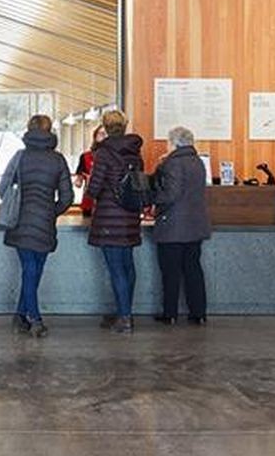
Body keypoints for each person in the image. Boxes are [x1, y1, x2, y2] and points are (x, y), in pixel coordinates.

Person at [0, 114, 73, 338]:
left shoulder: (20, 157)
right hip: (45, 224)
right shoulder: (58, 160)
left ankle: (22, 315)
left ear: (29, 130)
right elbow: (67, 197)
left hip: (21, 222)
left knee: (29, 269)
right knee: (34, 270)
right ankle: (34, 318)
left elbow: (3, 189)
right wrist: (51, 211)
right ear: (50, 131)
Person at [85, 109, 144, 333]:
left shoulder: (104, 153)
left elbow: (94, 188)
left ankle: (125, 317)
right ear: (124, 126)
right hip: (130, 216)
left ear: (106, 127)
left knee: (116, 269)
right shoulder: (135, 153)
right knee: (128, 266)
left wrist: (93, 187)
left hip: (110, 219)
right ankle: (124, 311)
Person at [151, 125, 211, 325]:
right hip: (195, 225)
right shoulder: (198, 162)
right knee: (193, 270)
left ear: (174, 144)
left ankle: (170, 313)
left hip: (173, 226)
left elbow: (170, 194)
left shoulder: (173, 163)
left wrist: (153, 199)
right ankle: (198, 313)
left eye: (168, 143)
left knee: (171, 272)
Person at [74, 125, 106, 217]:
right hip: (89, 202)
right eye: (101, 134)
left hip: (107, 202)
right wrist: (80, 180)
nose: (104, 137)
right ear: (95, 136)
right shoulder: (85, 156)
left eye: (106, 134)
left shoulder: (115, 157)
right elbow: (78, 181)